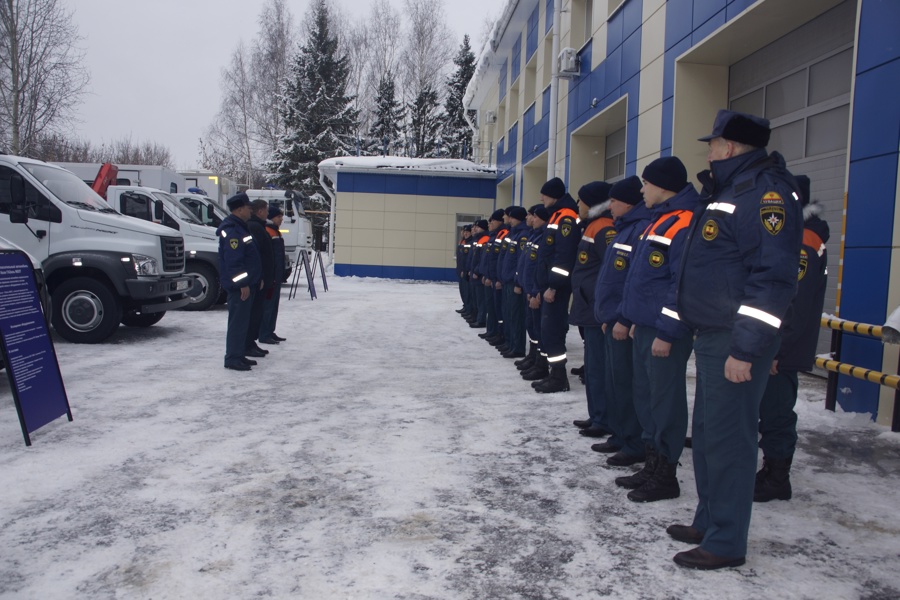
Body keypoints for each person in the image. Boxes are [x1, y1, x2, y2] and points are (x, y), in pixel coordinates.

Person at [667, 109, 802, 570]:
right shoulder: (729, 190)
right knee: (707, 435)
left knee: (729, 439)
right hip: (712, 334)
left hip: (734, 339)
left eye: (712, 144)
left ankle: (725, 541)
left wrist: (746, 348)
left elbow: (773, 278)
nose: (707, 151)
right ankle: (710, 518)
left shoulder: (765, 195)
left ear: (730, 147)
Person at [616, 157, 698, 502]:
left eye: (646, 183)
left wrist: (666, 330)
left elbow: (681, 284)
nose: (641, 190)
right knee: (647, 396)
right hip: (646, 325)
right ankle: (652, 463)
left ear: (664, 185)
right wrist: (636, 319)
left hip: (664, 330)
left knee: (665, 400)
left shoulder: (684, 222)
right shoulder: (659, 220)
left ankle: (666, 472)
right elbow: (644, 279)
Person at [755, 174, 829, 503]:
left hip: (782, 346)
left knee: (777, 411)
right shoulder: (795, 234)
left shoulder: (805, 238)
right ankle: (771, 469)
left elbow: (795, 301)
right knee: (771, 409)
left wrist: (778, 350)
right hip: (776, 342)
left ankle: (776, 478)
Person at [592, 176, 651, 467]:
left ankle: (634, 442)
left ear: (628, 203)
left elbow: (633, 282)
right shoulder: (623, 229)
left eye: (614, 201)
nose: (610, 205)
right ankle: (619, 434)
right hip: (612, 319)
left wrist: (622, 317)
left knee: (627, 385)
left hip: (623, 322)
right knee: (615, 382)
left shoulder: (638, 230)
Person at [568, 181, 614, 437]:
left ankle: (603, 418)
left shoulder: (604, 229)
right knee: (592, 366)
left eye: (581, 200)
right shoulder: (592, 226)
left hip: (597, 310)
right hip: (589, 308)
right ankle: (596, 414)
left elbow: (612, 272)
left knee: (598, 368)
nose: (578, 205)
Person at [532, 177, 580, 393]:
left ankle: (559, 377)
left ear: (554, 195)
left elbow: (563, 256)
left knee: (552, 330)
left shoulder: (566, 217)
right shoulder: (558, 215)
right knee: (548, 330)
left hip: (556, 288)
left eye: (544, 194)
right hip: (549, 285)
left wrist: (554, 286)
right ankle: (553, 373)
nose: (541, 198)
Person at [217, 192, 262, 371]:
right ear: (239, 209)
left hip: (247, 284)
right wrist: (242, 284)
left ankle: (239, 353)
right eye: (247, 207)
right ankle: (233, 358)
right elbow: (234, 261)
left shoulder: (240, 227)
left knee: (243, 322)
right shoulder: (233, 231)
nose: (250, 211)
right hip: (239, 287)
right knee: (238, 322)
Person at [518, 205, 549, 378]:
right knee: (531, 326)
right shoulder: (534, 236)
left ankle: (541, 364)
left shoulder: (544, 237)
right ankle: (533, 356)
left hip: (535, 291)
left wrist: (535, 290)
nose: (530, 219)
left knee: (539, 328)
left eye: (534, 216)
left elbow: (540, 268)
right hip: (529, 288)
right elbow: (525, 266)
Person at [498, 206, 530, 358]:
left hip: (513, 281)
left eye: (511, 217)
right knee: (509, 313)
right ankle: (510, 343)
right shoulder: (513, 233)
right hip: (507, 280)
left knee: (516, 315)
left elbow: (520, 262)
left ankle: (517, 346)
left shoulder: (523, 235)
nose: (508, 220)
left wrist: (517, 281)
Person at [245, 200, 275, 358]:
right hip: (258, 278)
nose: (268, 213)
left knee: (258, 313)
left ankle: (251, 342)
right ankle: (247, 343)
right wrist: (261, 276)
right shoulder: (255, 227)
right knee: (254, 313)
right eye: (266, 210)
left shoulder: (259, 226)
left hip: (263, 277)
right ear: (260, 211)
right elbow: (257, 255)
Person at [259, 206, 287, 344]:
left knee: (274, 304)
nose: (281, 219)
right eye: (278, 217)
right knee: (268, 305)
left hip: (276, 275)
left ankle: (270, 330)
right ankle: (264, 333)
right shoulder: (268, 231)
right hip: (271, 276)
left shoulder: (275, 231)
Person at [457, 225, 473, 316]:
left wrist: (465, 269)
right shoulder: (463, 241)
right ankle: (466, 306)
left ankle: (468, 308)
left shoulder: (470, 242)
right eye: (463, 231)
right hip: (461, 269)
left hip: (465, 270)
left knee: (467, 292)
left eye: (467, 231)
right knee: (463, 290)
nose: (464, 233)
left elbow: (468, 258)